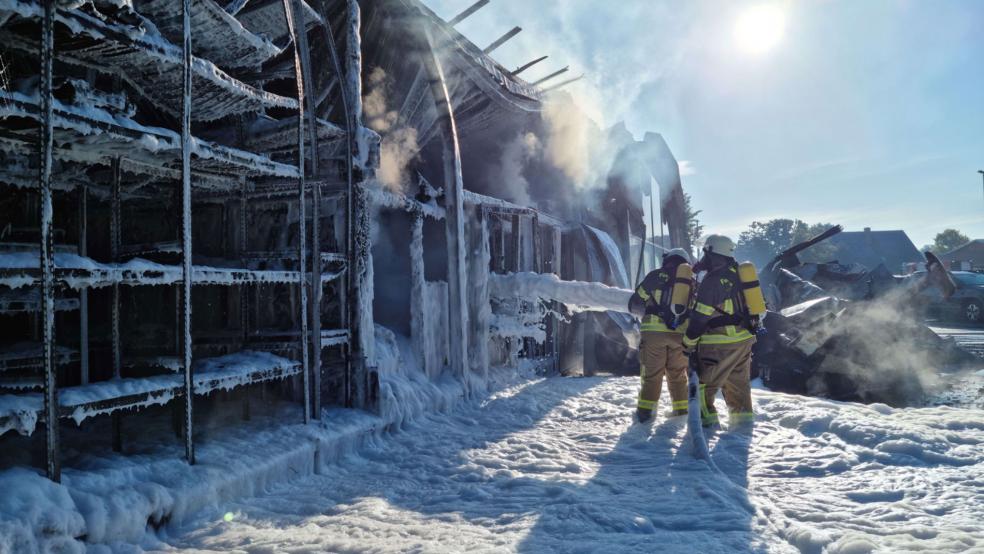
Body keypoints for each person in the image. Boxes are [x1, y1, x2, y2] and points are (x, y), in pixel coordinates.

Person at [682, 235, 756, 428]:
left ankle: (706, 429)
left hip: (720, 342)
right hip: (744, 339)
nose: (703, 257)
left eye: (705, 253)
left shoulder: (713, 281)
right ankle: (742, 428)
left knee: (704, 386)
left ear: (712, 253)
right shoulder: (739, 273)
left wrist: (688, 342)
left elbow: (699, 318)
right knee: (738, 385)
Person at [628, 248, 694, 423]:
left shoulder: (656, 275)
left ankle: (645, 413)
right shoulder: (690, 281)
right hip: (680, 334)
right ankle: (681, 412)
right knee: (678, 374)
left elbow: (637, 300)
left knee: (652, 373)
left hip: (654, 333)